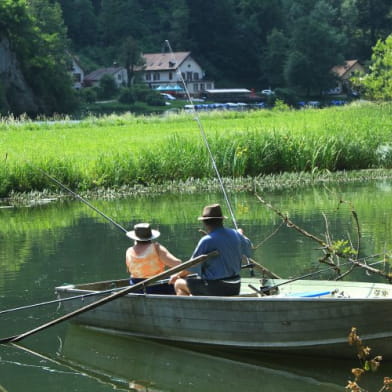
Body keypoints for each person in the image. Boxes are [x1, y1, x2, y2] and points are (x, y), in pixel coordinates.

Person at [170, 204, 252, 296]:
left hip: (216, 288)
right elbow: (249, 250)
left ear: (205, 223)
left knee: (179, 283)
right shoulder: (236, 234)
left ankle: (189, 310)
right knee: (195, 283)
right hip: (235, 286)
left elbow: (192, 267)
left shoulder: (207, 240)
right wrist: (240, 234)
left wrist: (178, 276)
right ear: (221, 220)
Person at [126, 223, 181, 294]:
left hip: (135, 288)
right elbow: (178, 264)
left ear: (135, 238)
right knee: (179, 280)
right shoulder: (156, 248)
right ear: (150, 236)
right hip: (156, 287)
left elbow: (129, 270)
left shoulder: (129, 250)